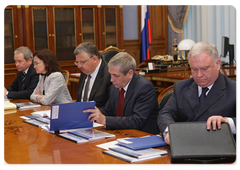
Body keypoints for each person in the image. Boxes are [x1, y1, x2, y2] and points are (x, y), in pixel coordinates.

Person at [157, 42, 237, 145]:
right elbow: (165, 113)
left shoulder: (235, 90)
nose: (199, 75)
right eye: (194, 69)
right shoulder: (181, 87)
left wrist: (227, 122)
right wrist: (170, 132)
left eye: (204, 69)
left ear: (217, 64)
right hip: (185, 146)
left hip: (220, 150)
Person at [84, 52, 160, 134]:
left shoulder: (145, 88)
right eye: (111, 75)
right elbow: (109, 110)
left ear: (130, 73)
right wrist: (93, 113)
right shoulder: (116, 85)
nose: (111, 80)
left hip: (142, 136)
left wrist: (105, 120)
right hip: (120, 133)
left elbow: (136, 121)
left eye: (116, 76)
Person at [73, 42, 112, 108]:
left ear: (94, 59)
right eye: (77, 62)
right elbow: (80, 101)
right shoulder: (85, 71)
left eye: (82, 62)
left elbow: (110, 108)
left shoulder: (109, 74)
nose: (79, 66)